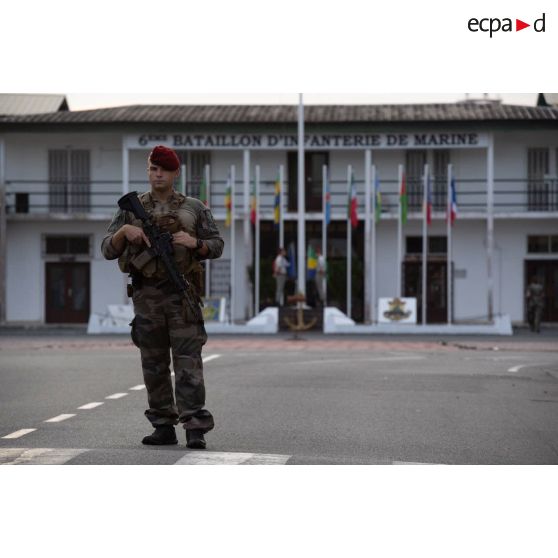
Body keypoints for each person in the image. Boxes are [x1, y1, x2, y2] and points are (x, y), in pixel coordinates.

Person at [101, 145, 224, 449]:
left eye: (163, 170)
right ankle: (163, 425)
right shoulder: (131, 209)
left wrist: (195, 242)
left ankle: (194, 425)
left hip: (182, 295)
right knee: (153, 363)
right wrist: (124, 232)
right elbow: (106, 248)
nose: (157, 174)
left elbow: (217, 244)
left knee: (188, 363)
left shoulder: (193, 208)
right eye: (152, 169)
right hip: (147, 297)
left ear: (175, 173)